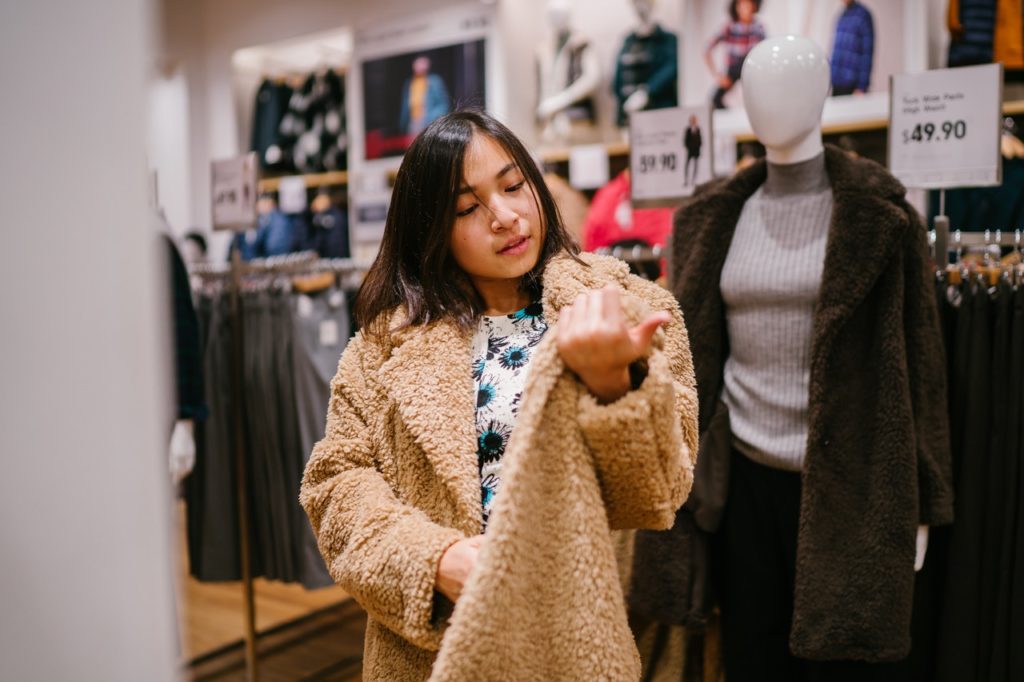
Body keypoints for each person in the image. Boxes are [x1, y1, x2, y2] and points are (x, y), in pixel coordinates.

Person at [300, 110, 698, 680]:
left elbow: (660, 494)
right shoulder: (384, 346)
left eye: (514, 186)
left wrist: (614, 386)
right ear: (430, 229)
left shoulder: (621, 305)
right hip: (432, 649)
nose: (506, 216)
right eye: (467, 208)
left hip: (574, 640)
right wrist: (434, 560)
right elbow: (335, 486)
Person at [705, 0, 765, 110]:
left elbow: (765, 51)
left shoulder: (758, 27)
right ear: (736, 7)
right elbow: (707, 49)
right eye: (741, 5)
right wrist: (718, 76)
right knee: (716, 100)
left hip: (751, 69)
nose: (744, 8)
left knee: (760, 97)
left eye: (748, 4)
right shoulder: (730, 27)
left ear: (754, 6)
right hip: (733, 69)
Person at [830, 0, 874, 96]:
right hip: (837, 83)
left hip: (852, 85)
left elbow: (867, 53)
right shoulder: (842, 15)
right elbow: (836, 50)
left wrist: (862, 86)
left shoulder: (863, 15)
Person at [399, 55, 451, 137]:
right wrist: (403, 123)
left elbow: (443, 103)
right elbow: (405, 105)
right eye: (418, 63)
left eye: (422, 63)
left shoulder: (434, 81)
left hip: (428, 120)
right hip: (413, 121)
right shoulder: (409, 82)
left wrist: (434, 117)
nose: (419, 66)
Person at [684, 114, 703, 186]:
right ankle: (687, 179)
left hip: (696, 150)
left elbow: (700, 140)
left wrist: (698, 147)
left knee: (695, 165)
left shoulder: (698, 129)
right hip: (690, 150)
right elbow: (686, 140)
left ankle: (693, 180)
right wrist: (688, 147)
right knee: (687, 165)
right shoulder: (688, 130)